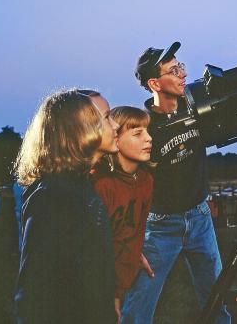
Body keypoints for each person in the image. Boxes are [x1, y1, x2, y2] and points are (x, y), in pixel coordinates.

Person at [121, 15, 237, 323]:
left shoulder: (196, 103)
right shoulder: (143, 127)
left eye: (180, 67)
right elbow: (125, 182)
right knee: (139, 305)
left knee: (217, 299)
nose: (182, 73)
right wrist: (130, 239)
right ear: (155, 83)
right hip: (161, 225)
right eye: (173, 70)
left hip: (200, 218)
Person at [14, 89, 119, 324]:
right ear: (80, 129)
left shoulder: (80, 187)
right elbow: (34, 295)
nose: (116, 125)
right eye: (107, 117)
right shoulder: (52, 197)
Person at [93, 106, 155, 323]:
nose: (148, 139)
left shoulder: (146, 181)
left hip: (127, 277)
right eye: (137, 133)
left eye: (147, 131)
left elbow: (134, 229)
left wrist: (136, 252)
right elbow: (96, 248)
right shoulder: (102, 186)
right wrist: (113, 294)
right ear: (115, 139)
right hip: (100, 283)